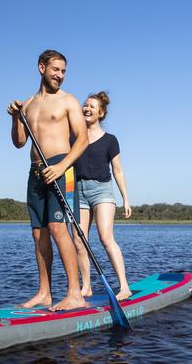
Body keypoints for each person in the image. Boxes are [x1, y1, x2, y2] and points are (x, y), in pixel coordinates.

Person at [7, 49, 88, 311]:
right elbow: (19, 142)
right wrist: (15, 118)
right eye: (56, 70)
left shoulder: (68, 101)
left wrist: (63, 166)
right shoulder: (29, 104)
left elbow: (82, 140)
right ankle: (44, 292)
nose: (60, 76)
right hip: (35, 171)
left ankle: (74, 293)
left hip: (61, 168)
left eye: (64, 71)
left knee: (57, 229)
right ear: (42, 68)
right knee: (38, 233)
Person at [72, 91, 133, 301]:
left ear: (101, 112)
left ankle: (124, 286)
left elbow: (118, 170)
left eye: (92, 106)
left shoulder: (110, 140)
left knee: (106, 238)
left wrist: (125, 198)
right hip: (78, 191)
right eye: (85, 105)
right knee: (79, 241)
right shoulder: (74, 137)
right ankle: (86, 287)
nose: (87, 108)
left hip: (102, 190)